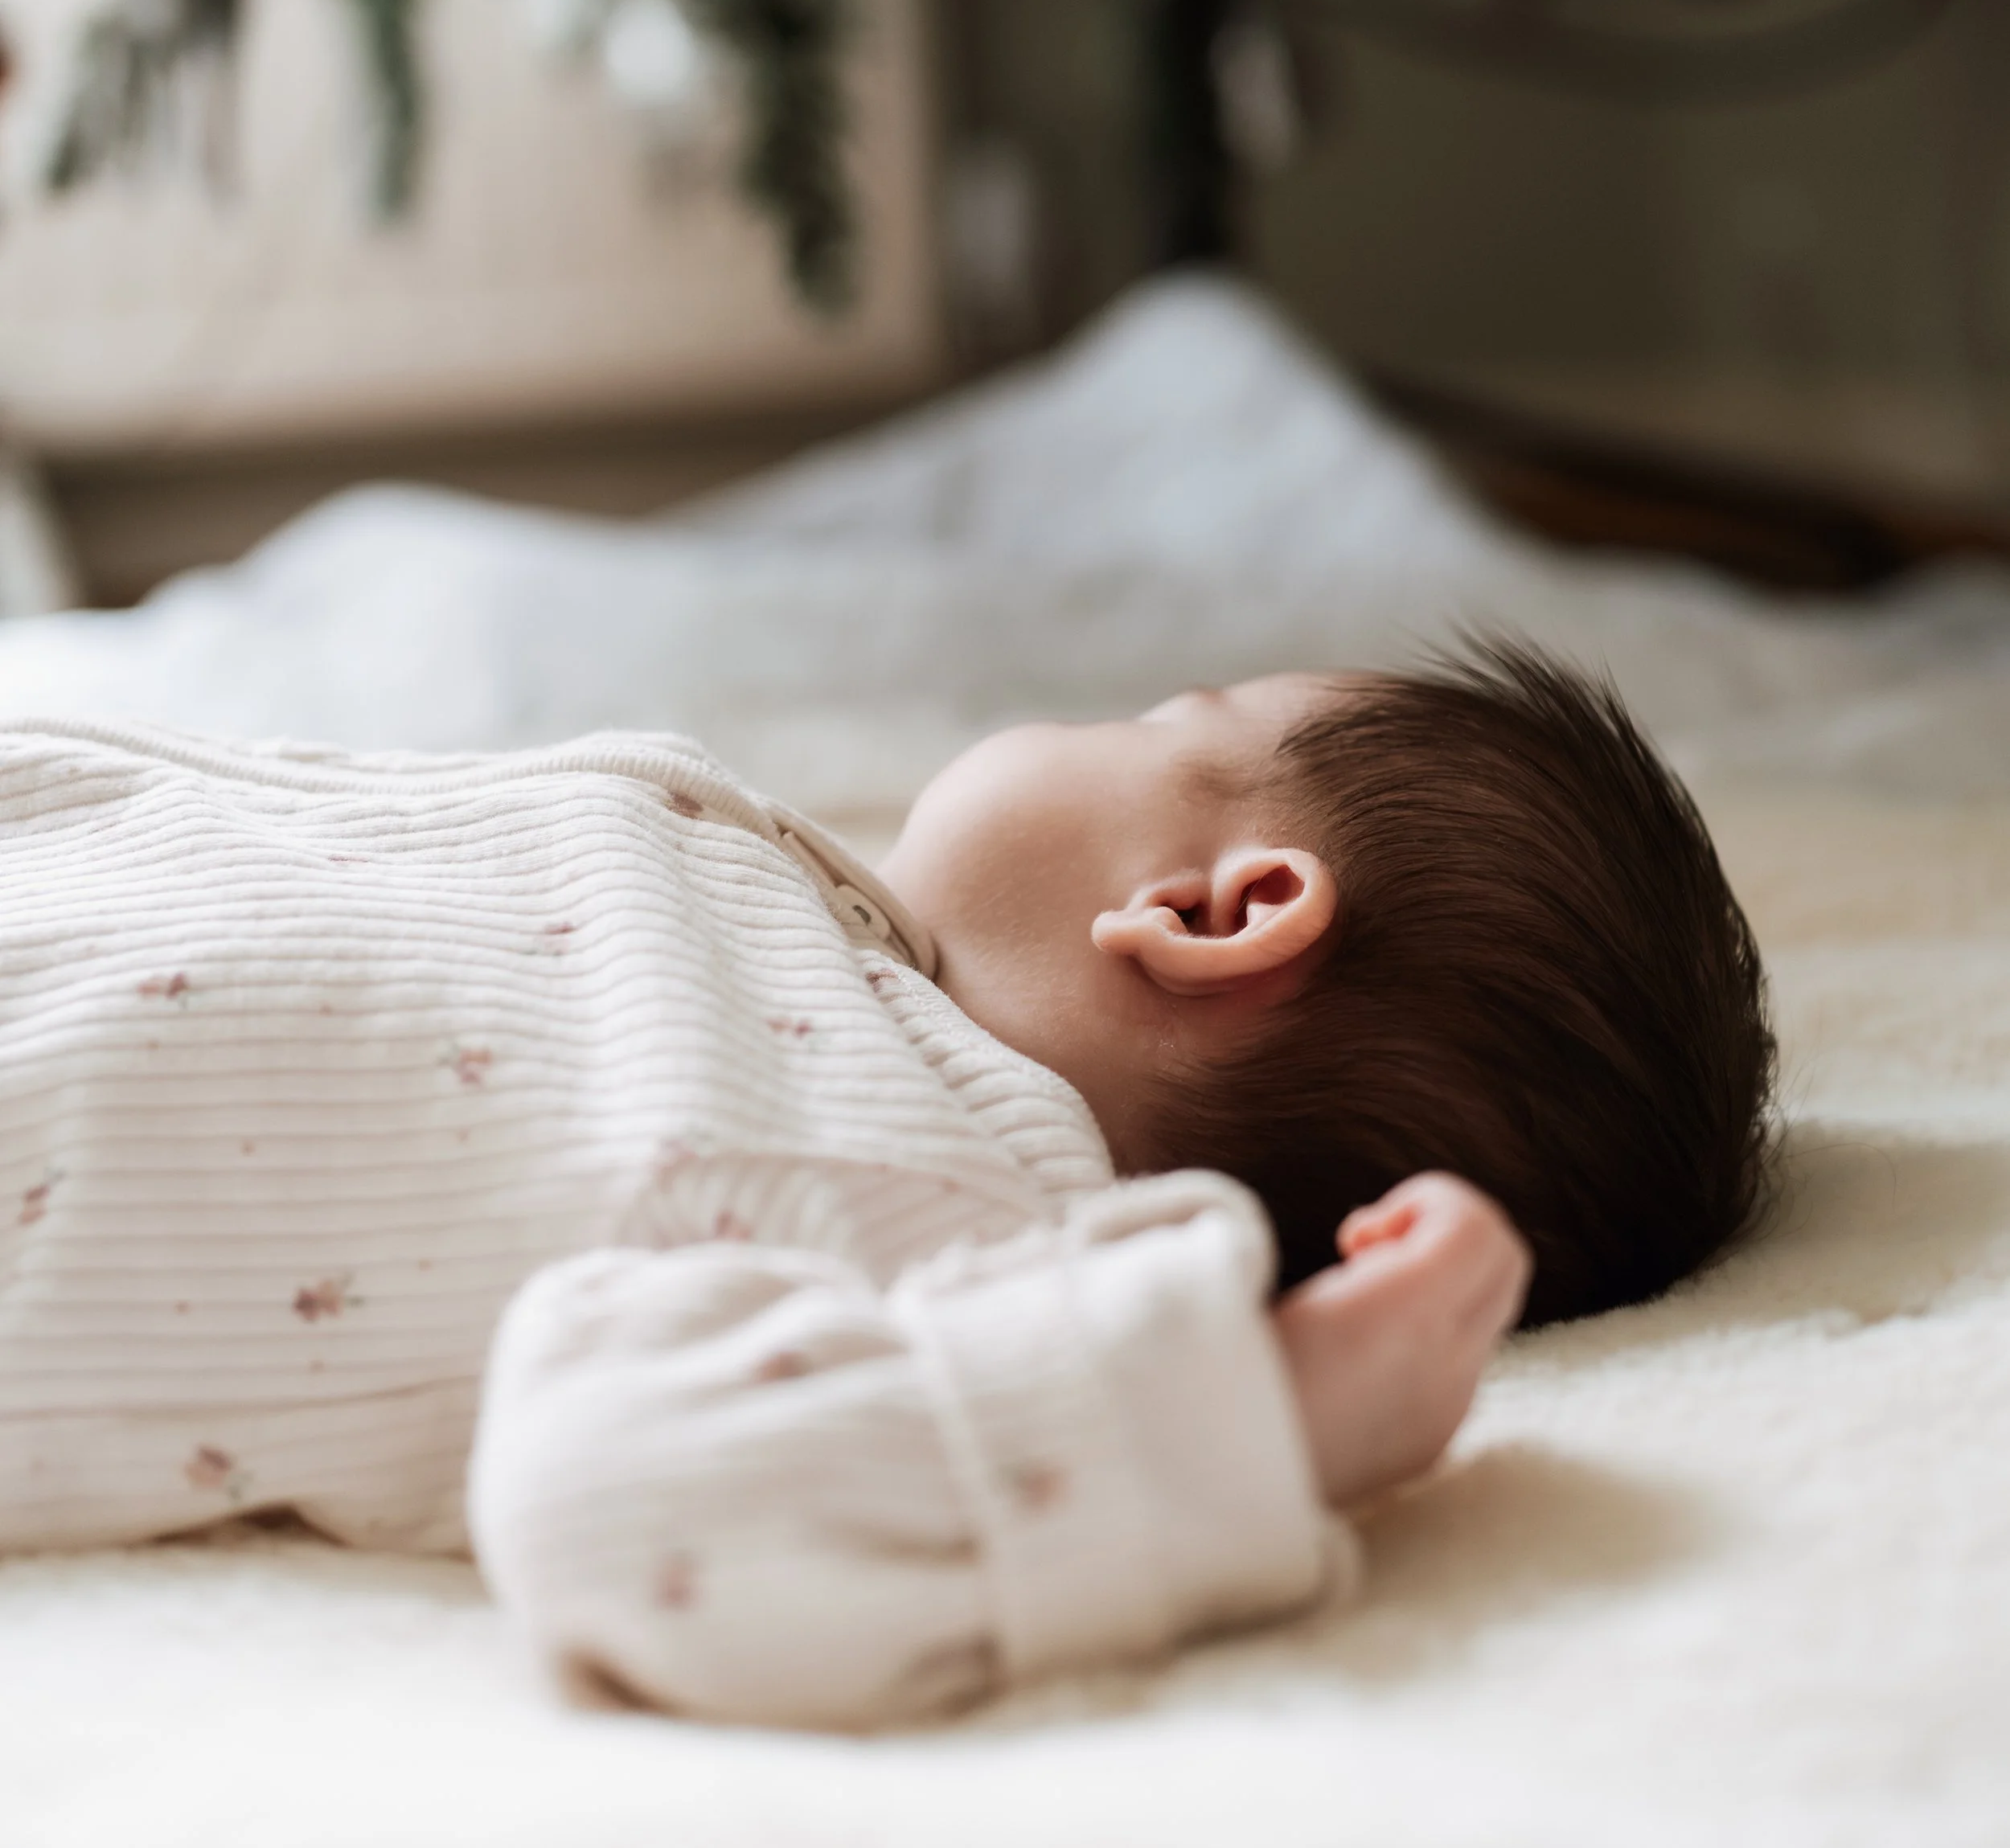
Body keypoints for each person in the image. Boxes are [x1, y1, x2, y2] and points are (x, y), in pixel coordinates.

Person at [0, 642, 1771, 1727]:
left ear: (1212, 912)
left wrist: (1254, 1419)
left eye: (1159, 711)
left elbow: (632, 1506)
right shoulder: (839, 976)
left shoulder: (920, 1212)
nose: (1083, 712)